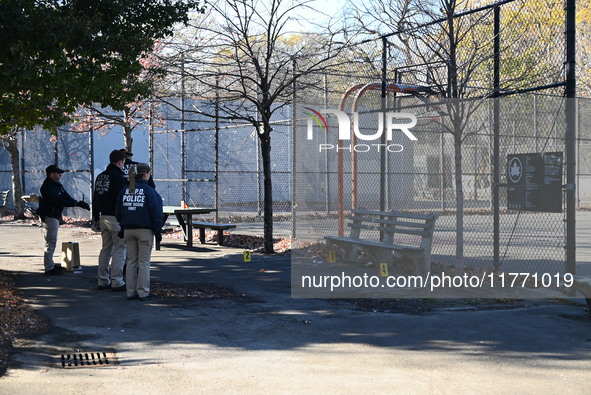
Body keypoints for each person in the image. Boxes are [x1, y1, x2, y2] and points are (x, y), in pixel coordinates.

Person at [116, 163, 163, 301]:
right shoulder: (149, 191)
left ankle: (130, 292)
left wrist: (122, 226)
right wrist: (158, 232)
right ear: (146, 174)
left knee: (131, 261)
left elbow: (118, 212)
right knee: (143, 262)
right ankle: (143, 292)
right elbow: (156, 213)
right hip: (144, 231)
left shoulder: (125, 190)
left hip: (128, 230)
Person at [37, 165, 90, 275]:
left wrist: (78, 203)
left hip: (54, 216)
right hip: (49, 216)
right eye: (58, 173)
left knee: (52, 241)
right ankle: (48, 267)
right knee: (50, 241)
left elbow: (66, 197)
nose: (60, 175)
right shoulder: (47, 186)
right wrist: (74, 203)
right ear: (51, 174)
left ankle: (50, 264)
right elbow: (58, 201)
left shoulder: (57, 185)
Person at [92, 150, 128, 291]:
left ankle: (102, 280)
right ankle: (117, 281)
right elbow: (121, 199)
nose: (124, 165)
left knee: (106, 248)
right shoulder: (118, 177)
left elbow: (96, 197)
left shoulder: (101, 177)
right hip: (115, 218)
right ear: (120, 162)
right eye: (124, 162)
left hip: (103, 217)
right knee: (120, 248)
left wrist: (95, 217)